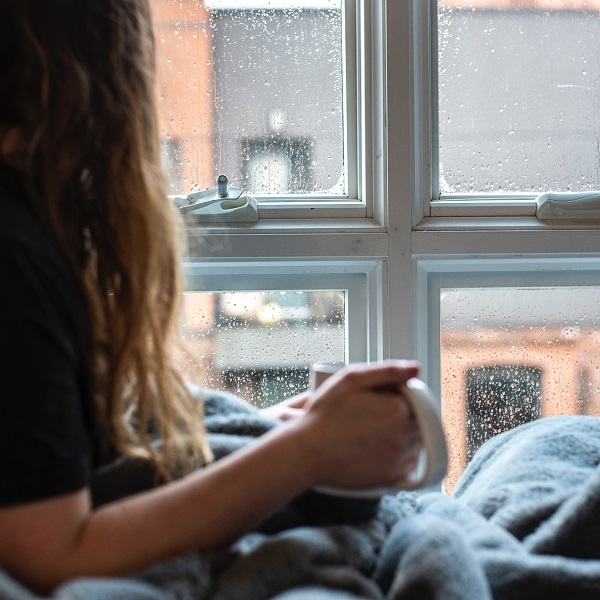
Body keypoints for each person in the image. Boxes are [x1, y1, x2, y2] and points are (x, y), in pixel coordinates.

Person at [0, 1, 422, 594]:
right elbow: (52, 554)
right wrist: (306, 452)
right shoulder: (16, 258)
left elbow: (45, 469)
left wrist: (274, 433)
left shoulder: (31, 229)